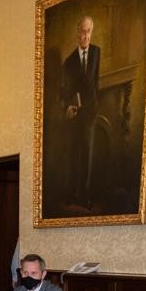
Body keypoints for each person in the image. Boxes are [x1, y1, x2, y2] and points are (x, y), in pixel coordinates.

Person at [61, 15, 100, 208]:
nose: (85, 36)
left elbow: (95, 83)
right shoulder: (69, 61)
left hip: (90, 113)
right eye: (82, 31)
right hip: (75, 114)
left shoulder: (96, 53)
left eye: (88, 31)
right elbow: (65, 91)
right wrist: (67, 107)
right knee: (73, 155)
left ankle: (85, 196)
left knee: (88, 155)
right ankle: (71, 194)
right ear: (78, 33)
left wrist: (94, 106)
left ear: (91, 32)